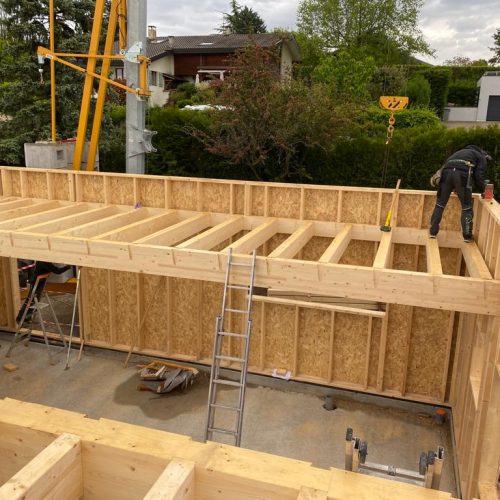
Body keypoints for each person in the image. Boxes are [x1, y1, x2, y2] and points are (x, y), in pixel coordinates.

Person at [430, 145, 490, 242]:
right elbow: (478, 176)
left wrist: (455, 187)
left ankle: (432, 232)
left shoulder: (459, 153)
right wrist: (484, 190)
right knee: (466, 207)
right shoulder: (481, 156)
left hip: (446, 174)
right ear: (485, 155)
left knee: (440, 204)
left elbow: (450, 169)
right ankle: (467, 235)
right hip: (462, 175)